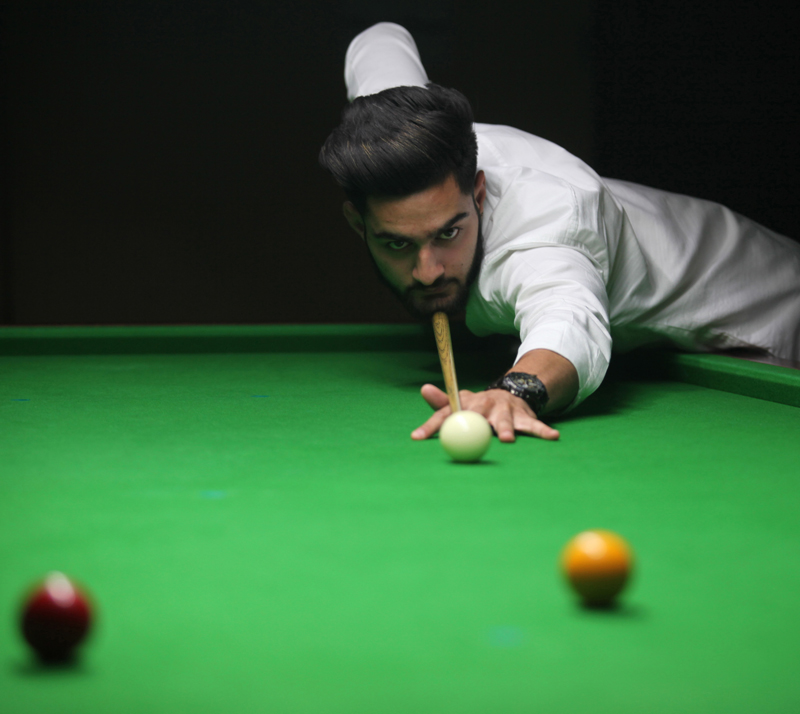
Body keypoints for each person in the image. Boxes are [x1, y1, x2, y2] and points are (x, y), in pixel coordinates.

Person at [319, 22, 800, 443]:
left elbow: (568, 319)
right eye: (397, 243)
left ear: (479, 194)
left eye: (448, 234)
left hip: (765, 313)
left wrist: (515, 391)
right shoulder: (401, 127)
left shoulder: (548, 225)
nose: (428, 272)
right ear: (359, 224)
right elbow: (380, 39)